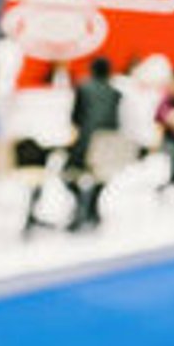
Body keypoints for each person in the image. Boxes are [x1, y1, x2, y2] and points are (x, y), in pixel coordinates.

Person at [67, 57, 125, 230]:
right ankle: (92, 205)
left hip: (86, 143)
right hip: (108, 145)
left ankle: (81, 206)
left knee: (68, 173)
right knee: (101, 175)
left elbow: (76, 118)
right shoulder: (116, 93)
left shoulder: (83, 88)